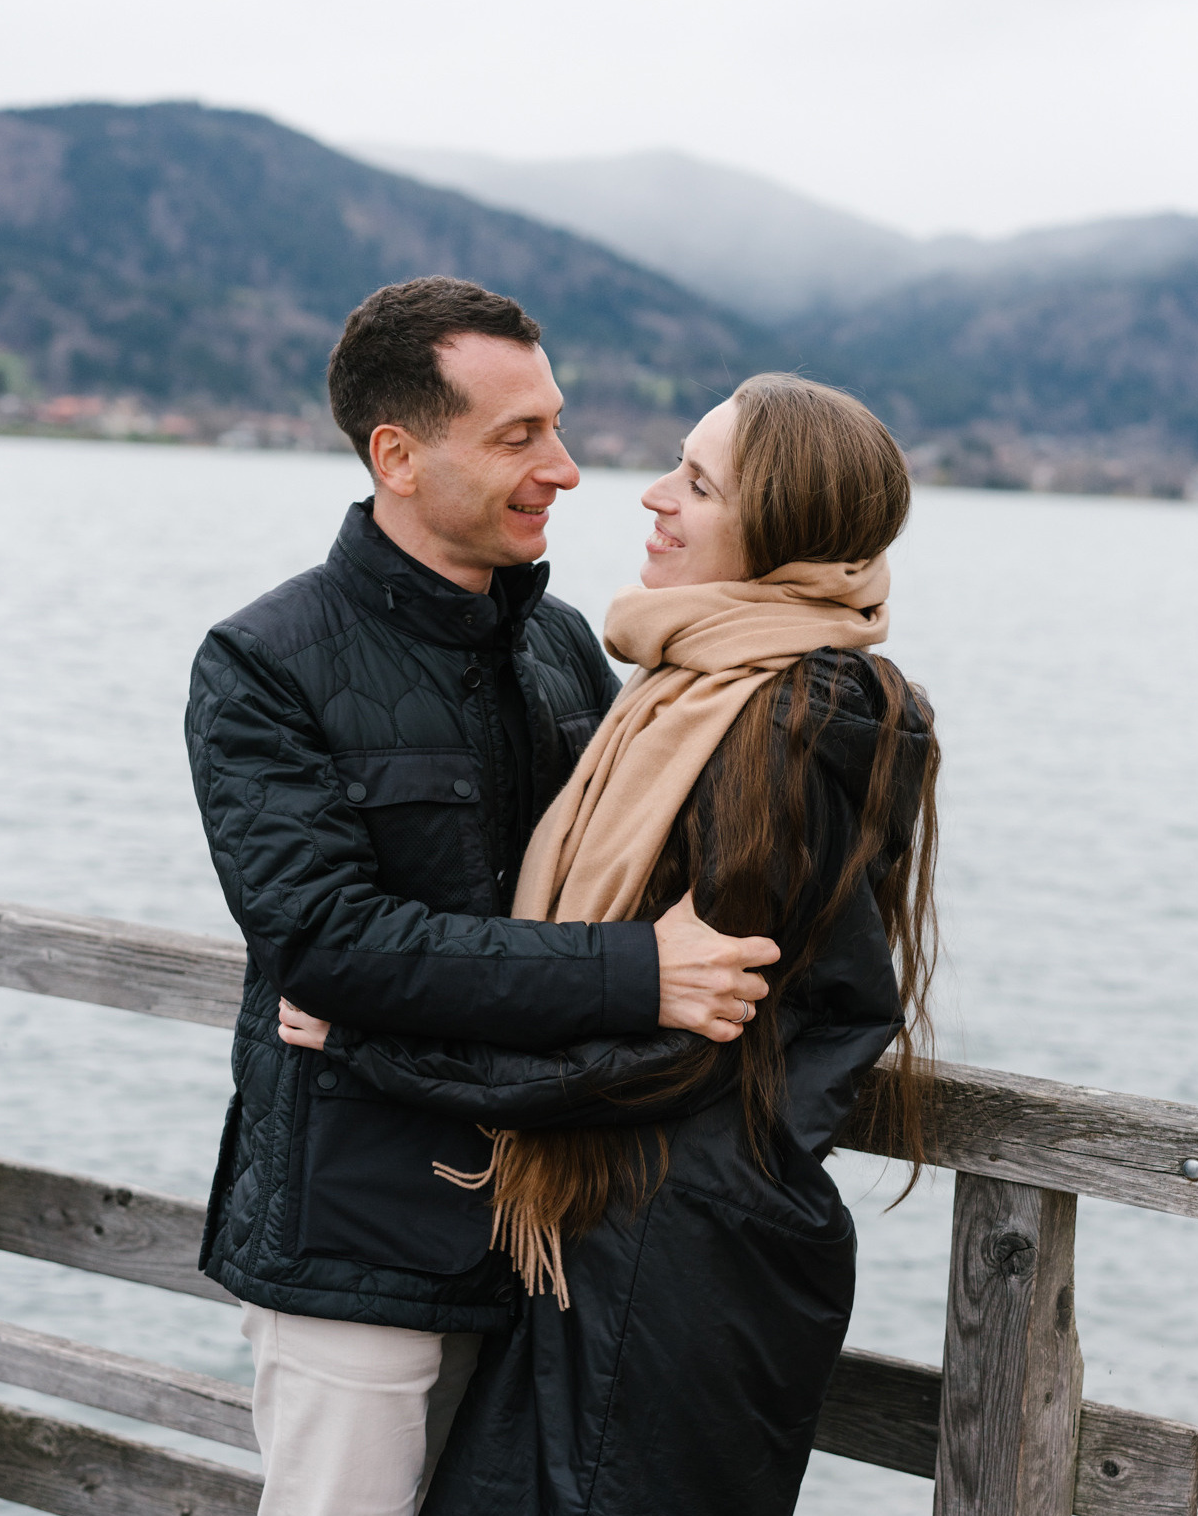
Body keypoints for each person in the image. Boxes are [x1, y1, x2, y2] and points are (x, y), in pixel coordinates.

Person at [278, 372, 941, 1515]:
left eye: (696, 481)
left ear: (774, 524)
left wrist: (380, 1047)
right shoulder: (694, 683)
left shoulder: (796, 714)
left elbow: (684, 1044)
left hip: (676, 1256)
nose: (651, 497)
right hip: (613, 1231)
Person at [184, 277, 780, 1516]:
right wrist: (638, 973)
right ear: (396, 455)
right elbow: (328, 943)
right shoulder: (262, 662)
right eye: (518, 436)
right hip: (357, 1244)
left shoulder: (562, 644)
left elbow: (665, 876)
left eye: (556, 426)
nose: (565, 468)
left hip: (554, 1233)